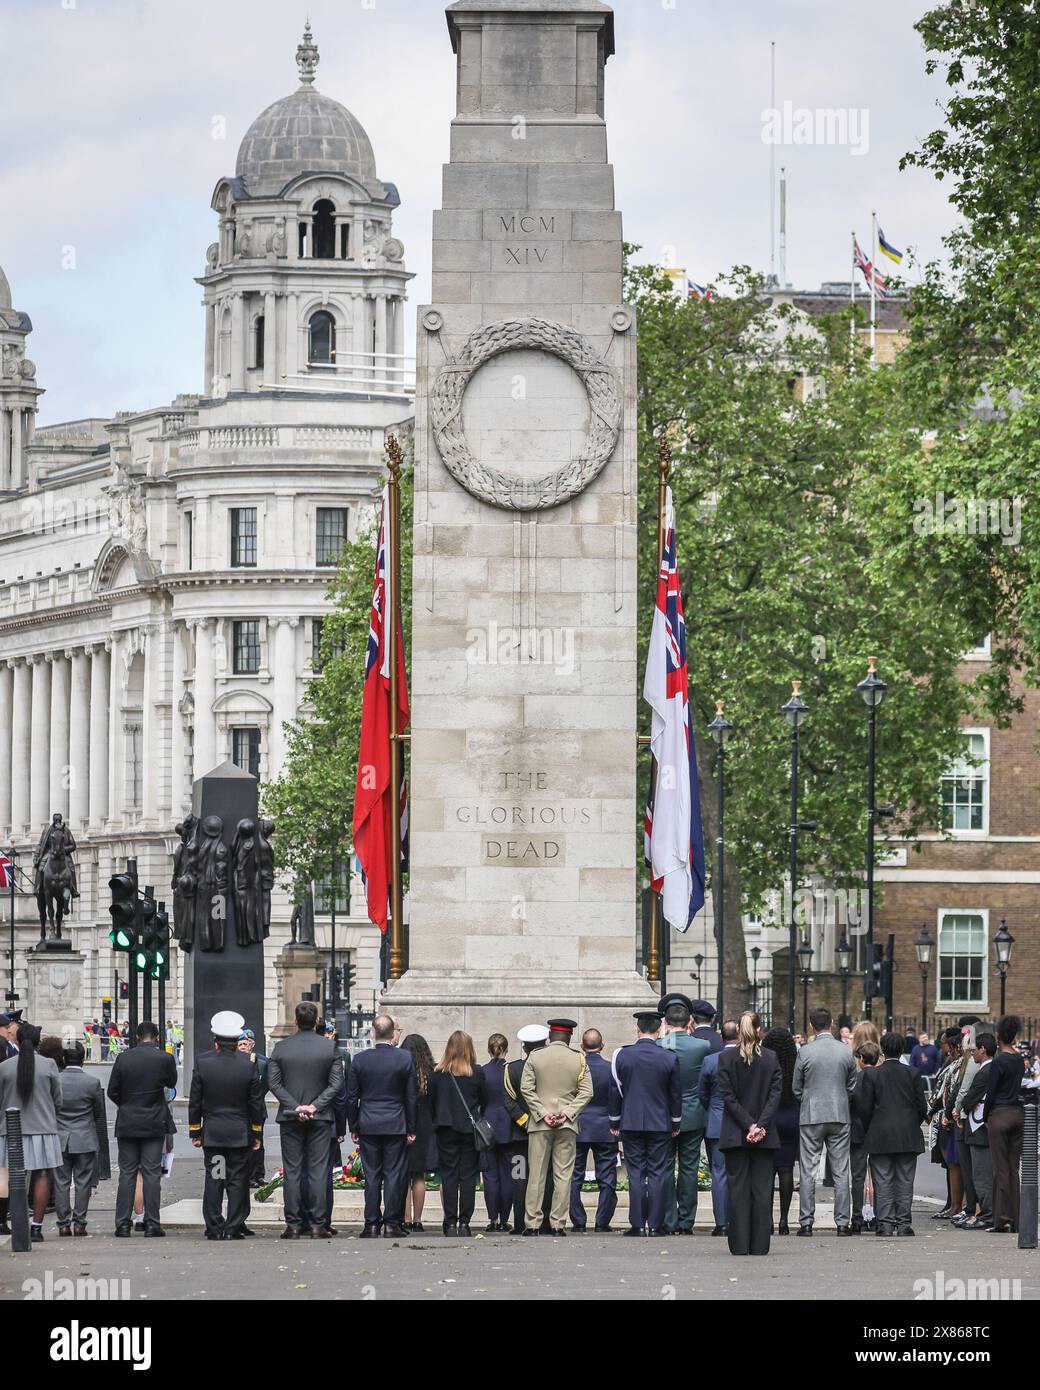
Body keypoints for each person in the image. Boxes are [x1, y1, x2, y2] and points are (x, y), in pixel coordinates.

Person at [267, 1001, 343, 1239]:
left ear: (295, 1022)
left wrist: (294, 1106)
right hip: (320, 1117)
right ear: (317, 1021)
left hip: (290, 1117)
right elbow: (336, 1084)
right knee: (319, 1171)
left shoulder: (281, 1048)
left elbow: (274, 1083)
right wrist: (315, 1106)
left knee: (293, 1170)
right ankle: (318, 1224)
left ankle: (294, 1224)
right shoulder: (329, 1049)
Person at [188, 1010, 265, 1241]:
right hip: (239, 1134)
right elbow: (255, 1103)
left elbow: (195, 1101)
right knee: (237, 1181)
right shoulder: (248, 1065)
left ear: (216, 1041)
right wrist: (256, 1132)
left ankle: (214, 1226)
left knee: (215, 1178)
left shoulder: (203, 1062)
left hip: (214, 1133)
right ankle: (233, 1226)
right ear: (236, 1041)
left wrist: (195, 1131)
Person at [609, 1009, 681, 1237]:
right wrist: (675, 1122)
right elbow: (675, 1094)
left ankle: (638, 1224)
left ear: (637, 1030)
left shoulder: (622, 1055)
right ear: (659, 1031)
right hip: (660, 1122)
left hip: (630, 1122)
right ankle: (656, 1225)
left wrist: (614, 1120)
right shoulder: (669, 1057)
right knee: (658, 1173)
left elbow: (615, 1091)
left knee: (636, 1173)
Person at [345, 1013, 417, 1239]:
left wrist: (354, 1125)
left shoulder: (360, 1060)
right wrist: (411, 1127)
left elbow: (351, 1097)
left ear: (374, 1032)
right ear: (392, 1033)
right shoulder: (404, 1058)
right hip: (395, 1122)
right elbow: (411, 1097)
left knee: (372, 1175)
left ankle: (371, 1223)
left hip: (368, 1123)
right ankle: (392, 1223)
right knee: (395, 1175)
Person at [716, 1012, 782, 1257]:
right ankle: (760, 1244)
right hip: (765, 1134)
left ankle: (740, 1244)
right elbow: (775, 1096)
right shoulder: (771, 1058)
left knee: (738, 1191)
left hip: (735, 1133)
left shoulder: (726, 1058)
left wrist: (747, 1125)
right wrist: (760, 1125)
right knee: (762, 1191)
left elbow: (728, 1097)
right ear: (759, 1029)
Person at [520, 1017, 592, 1236]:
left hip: (540, 1124)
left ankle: (532, 1223)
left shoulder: (535, 1056)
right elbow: (587, 1092)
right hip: (566, 1125)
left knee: (537, 1175)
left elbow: (526, 1089)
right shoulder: (578, 1059)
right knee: (563, 1175)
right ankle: (558, 1224)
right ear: (569, 1037)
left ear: (550, 1036)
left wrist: (543, 1113)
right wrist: (566, 1113)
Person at [107, 1020, 178, 1237]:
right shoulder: (165, 1058)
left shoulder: (123, 1058)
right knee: (151, 1173)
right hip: (154, 1120)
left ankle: (123, 1224)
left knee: (127, 1173)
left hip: (128, 1120)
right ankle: (152, 1223)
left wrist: (127, 1104)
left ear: (137, 1036)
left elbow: (112, 1090)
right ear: (156, 1037)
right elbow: (171, 1083)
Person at [792, 1005, 857, 1237]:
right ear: (832, 1023)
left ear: (811, 1026)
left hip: (811, 1114)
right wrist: (840, 1099)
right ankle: (842, 1223)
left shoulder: (805, 1052)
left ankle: (806, 1222)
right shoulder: (846, 1051)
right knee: (841, 1171)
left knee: (808, 1171)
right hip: (839, 1113)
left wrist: (808, 1100)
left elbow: (796, 1087)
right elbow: (852, 1085)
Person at [854, 1031, 927, 1237]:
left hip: (879, 1133)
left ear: (882, 1051)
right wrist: (913, 1123)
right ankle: (903, 1224)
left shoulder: (872, 1074)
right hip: (907, 1133)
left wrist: (872, 1126)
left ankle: (885, 1224)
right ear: (902, 1049)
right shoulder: (913, 1073)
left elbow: (864, 1108)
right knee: (905, 1180)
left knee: (882, 1180)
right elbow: (922, 1107)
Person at [0, 1022, 63, 1242]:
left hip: (10, 1129)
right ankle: (36, 1227)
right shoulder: (49, 1066)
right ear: (38, 1041)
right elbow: (58, 1099)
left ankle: (13, 1223)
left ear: (17, 1040)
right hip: (43, 1127)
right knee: (42, 1175)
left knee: (11, 1177)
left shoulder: (5, 1067)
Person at [657, 992, 711, 1235]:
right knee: (689, 1168)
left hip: (664, 1114)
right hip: (693, 1113)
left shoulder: (658, 1046)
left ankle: (669, 1220)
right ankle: (686, 1221)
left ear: (665, 1022)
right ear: (690, 1020)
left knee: (666, 1167)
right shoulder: (702, 1046)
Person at [429, 1030, 487, 1237]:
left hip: (445, 1129)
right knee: (469, 1177)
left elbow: (431, 1102)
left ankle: (450, 1221)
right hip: (469, 1130)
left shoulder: (437, 1074)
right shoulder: (477, 1073)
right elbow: (484, 1101)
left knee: (449, 1176)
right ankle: (465, 1222)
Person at [54, 1041, 110, 1237]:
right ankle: (79, 1223)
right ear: (83, 1059)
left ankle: (62, 1224)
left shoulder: (56, 1080)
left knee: (60, 1182)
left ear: (63, 1059)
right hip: (84, 1136)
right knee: (83, 1182)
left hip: (60, 1137)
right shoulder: (92, 1082)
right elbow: (98, 1111)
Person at [568, 1028, 620, 1233]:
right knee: (607, 1176)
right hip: (605, 1127)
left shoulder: (575, 1069)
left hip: (578, 1126)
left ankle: (578, 1221)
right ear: (603, 1045)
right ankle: (602, 1221)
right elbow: (617, 1098)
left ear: (582, 1046)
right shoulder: (610, 1069)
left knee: (574, 1176)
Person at [502, 1023, 550, 1233]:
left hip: (519, 1136)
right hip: (545, 1131)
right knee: (546, 1178)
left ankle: (521, 1222)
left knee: (519, 1178)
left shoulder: (512, 1068)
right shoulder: (551, 1068)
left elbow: (508, 1101)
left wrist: (525, 1121)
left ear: (524, 1047)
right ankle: (545, 1222)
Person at [984, 1014, 1026, 1234]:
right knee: (1013, 1169)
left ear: (997, 1035)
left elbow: (991, 1092)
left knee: (1000, 1170)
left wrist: (984, 1116)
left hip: (999, 1114)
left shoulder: (999, 1061)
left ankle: (1001, 1219)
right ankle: (1017, 1219)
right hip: (1018, 1115)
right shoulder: (1019, 1059)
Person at [698, 1019, 739, 1236]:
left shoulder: (710, 1060)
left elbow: (702, 1093)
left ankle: (721, 1223)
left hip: (715, 1121)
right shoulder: (745, 1059)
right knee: (739, 1173)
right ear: (739, 1036)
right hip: (740, 1123)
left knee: (719, 1173)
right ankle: (737, 1220)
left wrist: (712, 1110)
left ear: (721, 1038)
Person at [954, 1031, 996, 1231]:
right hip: (986, 1127)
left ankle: (987, 1214)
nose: (972, 1054)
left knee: (981, 1175)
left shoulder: (984, 1073)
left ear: (983, 1050)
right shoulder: (992, 1069)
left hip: (979, 1129)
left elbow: (970, 1098)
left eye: (975, 1050)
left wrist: (958, 1110)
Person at [761, 1026, 799, 1235]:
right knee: (786, 1170)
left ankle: (768, 1219)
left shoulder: (765, 1062)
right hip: (790, 1115)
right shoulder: (794, 1063)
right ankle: (784, 1220)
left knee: (767, 1172)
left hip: (770, 1117)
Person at [399, 1033, 438, 1232]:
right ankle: (418, 1220)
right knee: (419, 1176)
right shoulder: (432, 1071)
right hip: (426, 1127)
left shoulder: (402, 1069)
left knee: (404, 1176)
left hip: (404, 1125)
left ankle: (405, 1218)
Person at [480, 1033, 515, 1232]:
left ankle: (493, 1218)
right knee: (507, 1176)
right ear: (506, 1049)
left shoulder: (483, 1071)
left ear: (488, 1049)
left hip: (488, 1126)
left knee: (490, 1176)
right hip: (508, 1126)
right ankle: (504, 1219)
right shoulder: (511, 1071)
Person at [849, 1039, 880, 1233]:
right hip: (877, 1132)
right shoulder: (882, 1078)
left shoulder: (855, 1080)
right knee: (879, 1178)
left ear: (860, 1058)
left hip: (857, 1131)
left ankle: (857, 1218)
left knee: (857, 1178)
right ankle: (879, 1217)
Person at [237, 1029, 269, 1187]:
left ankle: (259, 1174)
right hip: (241, 1110)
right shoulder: (234, 1062)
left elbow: (266, 1085)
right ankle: (247, 1176)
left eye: (246, 1043)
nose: (244, 1047)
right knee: (245, 1144)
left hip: (258, 1109)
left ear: (252, 1044)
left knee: (259, 1143)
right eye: (240, 1044)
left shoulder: (262, 1063)